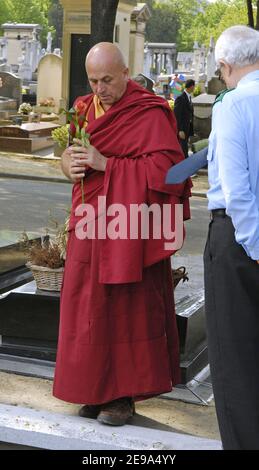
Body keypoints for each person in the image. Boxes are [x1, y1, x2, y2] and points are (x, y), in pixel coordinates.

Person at [53, 42, 191, 426]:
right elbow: (68, 159)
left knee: (125, 309)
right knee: (87, 308)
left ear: (126, 74)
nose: (100, 89)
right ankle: (91, 389)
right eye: (94, 80)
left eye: (108, 80)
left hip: (131, 227)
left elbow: (170, 173)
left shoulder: (148, 112)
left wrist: (106, 164)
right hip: (90, 225)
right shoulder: (82, 109)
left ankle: (122, 397)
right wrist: (69, 165)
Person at [166, 25, 259, 450]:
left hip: (240, 241)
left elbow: (238, 193)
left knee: (237, 365)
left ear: (225, 66)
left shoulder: (234, 103)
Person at [173, 79, 195, 158]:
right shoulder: (180, 98)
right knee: (182, 148)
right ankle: (183, 164)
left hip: (187, 128)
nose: (194, 88)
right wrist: (180, 130)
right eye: (194, 86)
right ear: (192, 86)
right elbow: (176, 115)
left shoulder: (189, 97)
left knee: (185, 146)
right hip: (182, 129)